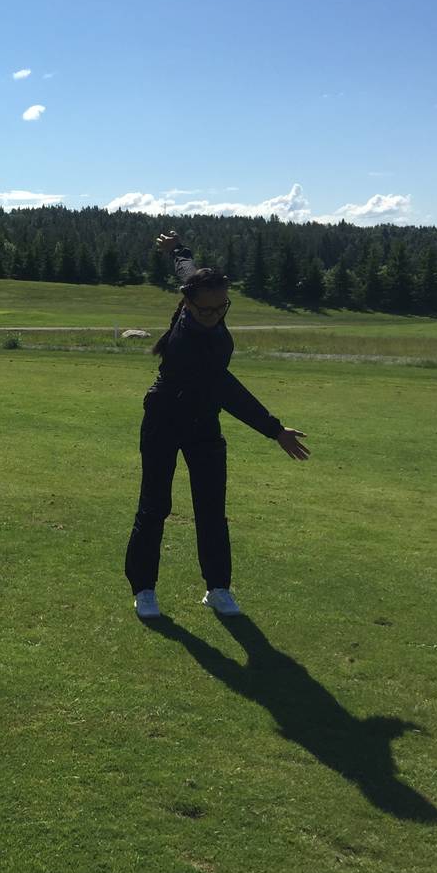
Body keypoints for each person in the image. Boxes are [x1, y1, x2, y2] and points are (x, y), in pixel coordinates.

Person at [126, 231, 310, 620]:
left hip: (204, 423)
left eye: (220, 308)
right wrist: (275, 430)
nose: (213, 316)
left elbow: (186, 268)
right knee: (154, 505)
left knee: (212, 509)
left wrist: (176, 249)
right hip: (163, 418)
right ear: (186, 303)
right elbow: (227, 389)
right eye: (205, 310)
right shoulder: (190, 343)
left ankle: (218, 588)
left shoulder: (200, 295)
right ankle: (144, 589)